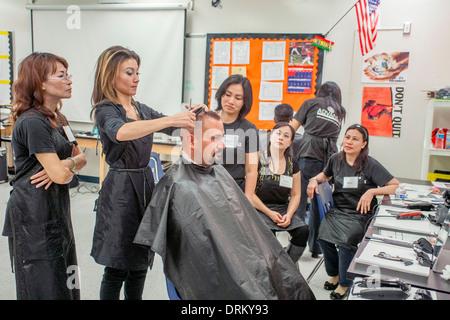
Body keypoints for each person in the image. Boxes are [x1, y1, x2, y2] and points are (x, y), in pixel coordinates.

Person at [133, 110, 314, 300]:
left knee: (288, 281)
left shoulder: (217, 171)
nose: (221, 146)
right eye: (215, 138)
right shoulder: (178, 186)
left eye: (222, 139)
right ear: (192, 141)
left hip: (240, 260)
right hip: (222, 278)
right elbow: (200, 255)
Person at [90, 45, 196, 300]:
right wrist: (171, 120)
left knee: (139, 264)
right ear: (111, 74)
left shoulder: (140, 108)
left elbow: (174, 128)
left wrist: (192, 116)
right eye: (129, 72)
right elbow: (121, 132)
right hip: (121, 192)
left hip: (145, 188)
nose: (136, 78)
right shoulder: (106, 109)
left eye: (138, 72)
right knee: (117, 267)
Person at [2, 52, 87, 299]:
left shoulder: (59, 119)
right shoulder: (32, 122)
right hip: (33, 213)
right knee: (45, 284)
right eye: (61, 75)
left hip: (57, 208)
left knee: (67, 277)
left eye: (67, 74)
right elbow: (62, 175)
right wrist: (64, 168)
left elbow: (81, 158)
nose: (69, 80)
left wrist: (66, 164)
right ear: (40, 82)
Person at [307, 124, 399, 299]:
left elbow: (394, 185)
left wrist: (372, 191)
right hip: (338, 210)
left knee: (345, 242)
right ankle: (334, 274)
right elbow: (325, 176)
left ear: (364, 144)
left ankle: (345, 283)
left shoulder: (369, 164)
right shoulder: (336, 159)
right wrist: (313, 180)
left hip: (360, 213)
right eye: (347, 137)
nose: (349, 141)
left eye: (355, 139)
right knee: (323, 238)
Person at [290, 81, 346, 258]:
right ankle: (317, 248)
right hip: (330, 160)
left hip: (309, 154)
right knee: (319, 205)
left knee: (299, 200)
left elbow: (291, 128)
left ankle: (296, 246)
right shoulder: (340, 111)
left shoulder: (310, 103)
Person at [252, 122, 309, 264]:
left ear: (290, 142)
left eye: (286, 136)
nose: (281, 137)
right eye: (278, 133)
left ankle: (286, 266)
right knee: (267, 237)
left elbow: (296, 194)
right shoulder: (257, 159)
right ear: (271, 136)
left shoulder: (292, 163)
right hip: (258, 209)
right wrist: (269, 213)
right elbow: (249, 194)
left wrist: (289, 215)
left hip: (282, 209)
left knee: (303, 231)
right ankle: (271, 269)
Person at [215, 74, 259, 201]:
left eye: (238, 98)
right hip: (206, 189)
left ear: (245, 102)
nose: (231, 101)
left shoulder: (249, 129)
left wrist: (248, 200)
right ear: (221, 94)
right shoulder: (208, 121)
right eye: (228, 95)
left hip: (233, 193)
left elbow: (251, 171)